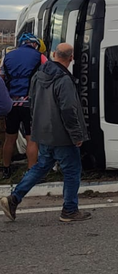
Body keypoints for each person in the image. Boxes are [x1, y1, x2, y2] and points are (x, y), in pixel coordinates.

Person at [0, 43, 91, 222]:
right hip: (62, 135)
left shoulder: (39, 75)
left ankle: (14, 198)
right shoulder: (64, 79)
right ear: (71, 58)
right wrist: (76, 135)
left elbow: (32, 101)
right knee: (72, 170)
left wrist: (36, 126)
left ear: (54, 54)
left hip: (43, 132)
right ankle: (70, 210)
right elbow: (68, 109)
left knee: (41, 167)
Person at [1, 33, 47, 178]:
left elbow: (2, 79)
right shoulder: (39, 56)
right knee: (31, 138)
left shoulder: (7, 57)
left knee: (10, 138)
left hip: (11, 104)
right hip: (30, 104)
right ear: (34, 43)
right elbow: (48, 75)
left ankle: (5, 169)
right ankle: (31, 172)